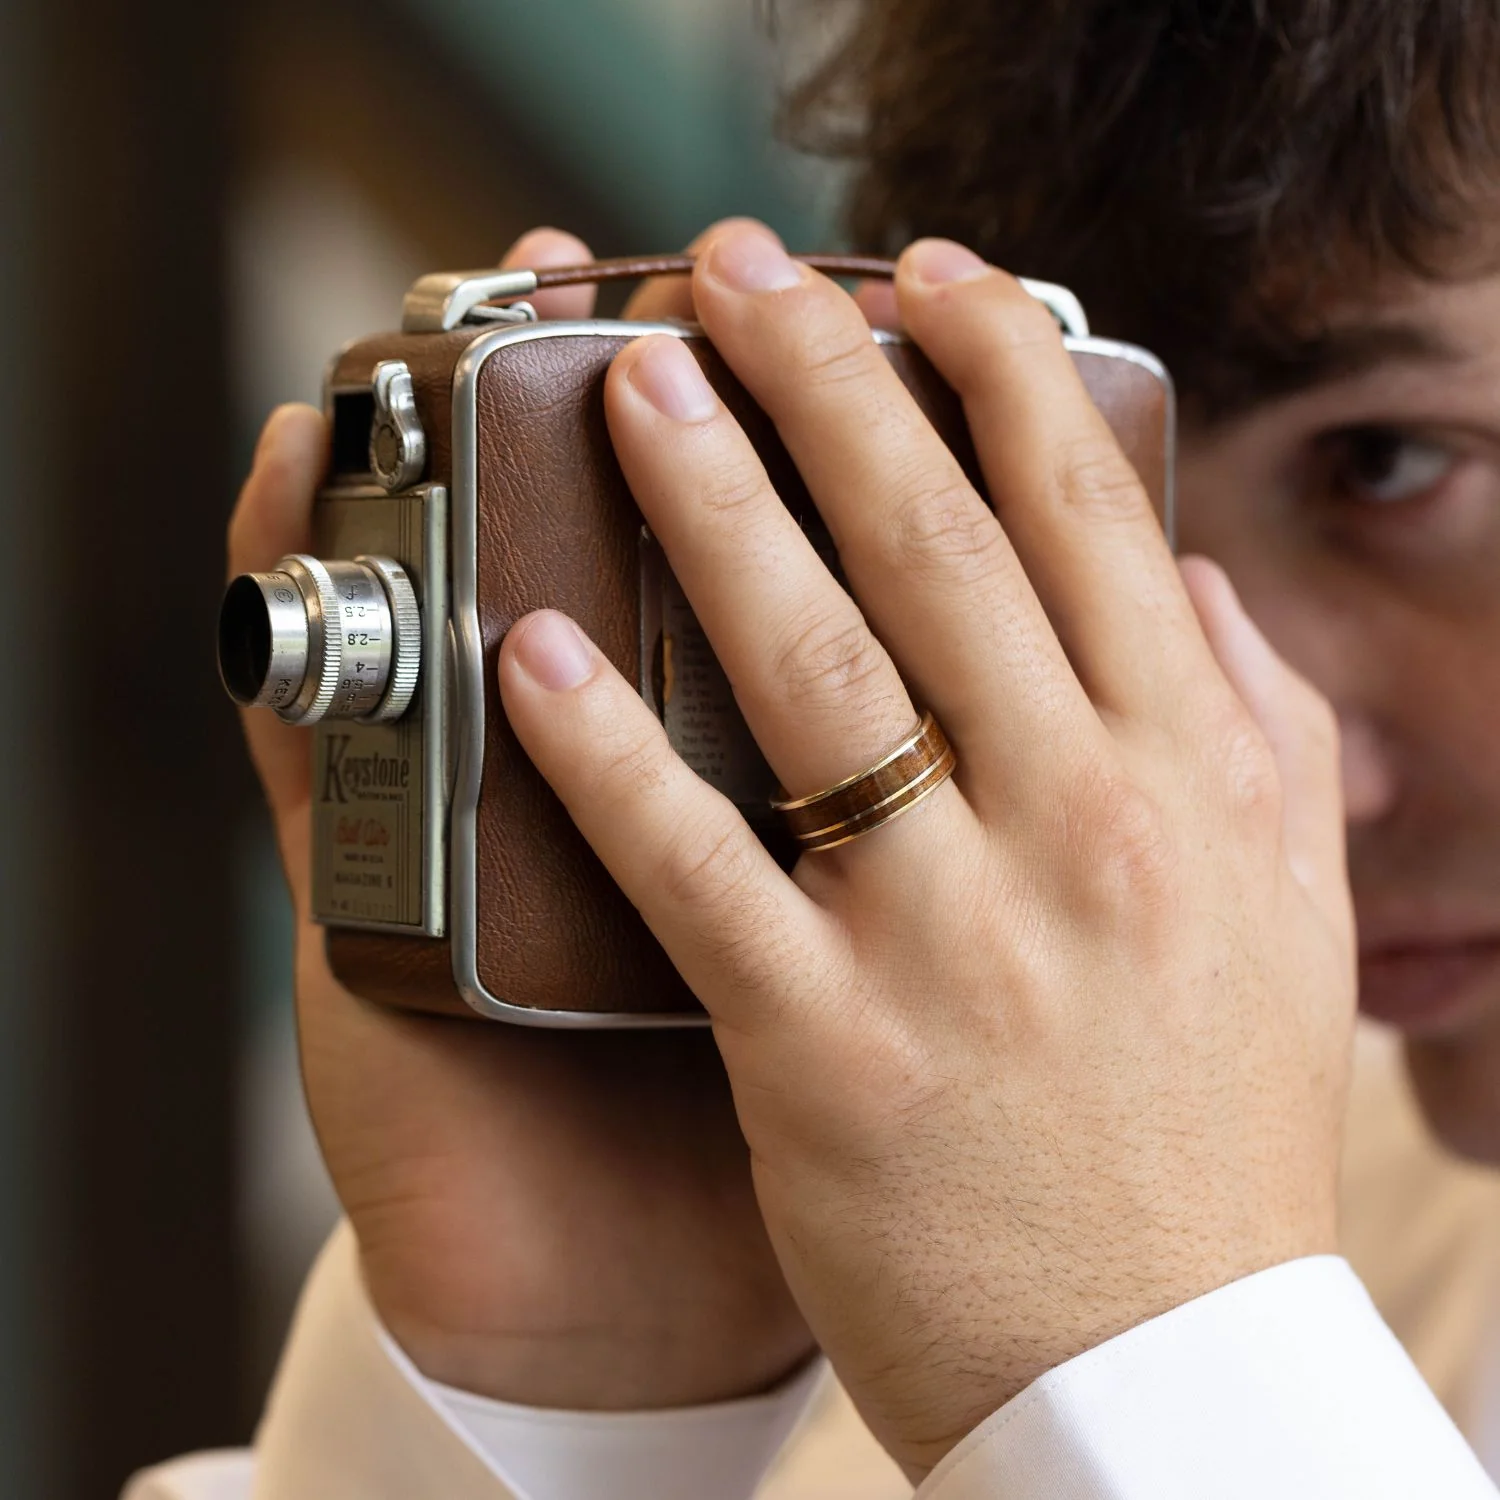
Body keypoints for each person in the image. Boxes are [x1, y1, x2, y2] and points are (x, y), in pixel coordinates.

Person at [127, 1, 1500, 1495]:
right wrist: (579, 1405)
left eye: (1389, 466)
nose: (1260, 760)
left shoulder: (1138, 1281)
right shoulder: (1014, 1241)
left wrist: (1163, 1361)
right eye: (1050, 497)